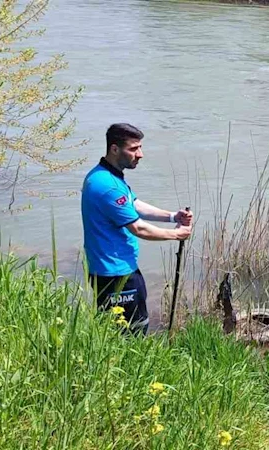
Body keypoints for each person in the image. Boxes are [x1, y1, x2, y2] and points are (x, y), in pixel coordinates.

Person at [81, 123, 193, 334]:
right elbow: (138, 229)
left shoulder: (105, 175)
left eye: (140, 147)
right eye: (133, 149)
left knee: (117, 328)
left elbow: (134, 205)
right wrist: (177, 234)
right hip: (115, 274)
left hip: (112, 269)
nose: (140, 154)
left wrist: (172, 216)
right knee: (130, 332)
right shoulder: (108, 186)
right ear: (114, 149)